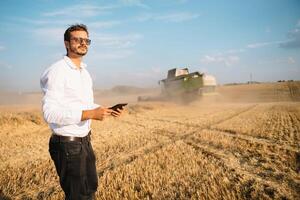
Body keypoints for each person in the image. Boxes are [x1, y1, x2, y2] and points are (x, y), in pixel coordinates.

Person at [40, 24, 123, 200]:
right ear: (66, 43)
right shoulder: (57, 71)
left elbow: (85, 103)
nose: (83, 43)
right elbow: (50, 113)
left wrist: (107, 110)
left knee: (89, 190)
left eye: (86, 40)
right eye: (77, 39)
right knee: (78, 196)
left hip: (84, 141)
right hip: (67, 146)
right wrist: (91, 114)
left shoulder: (84, 72)